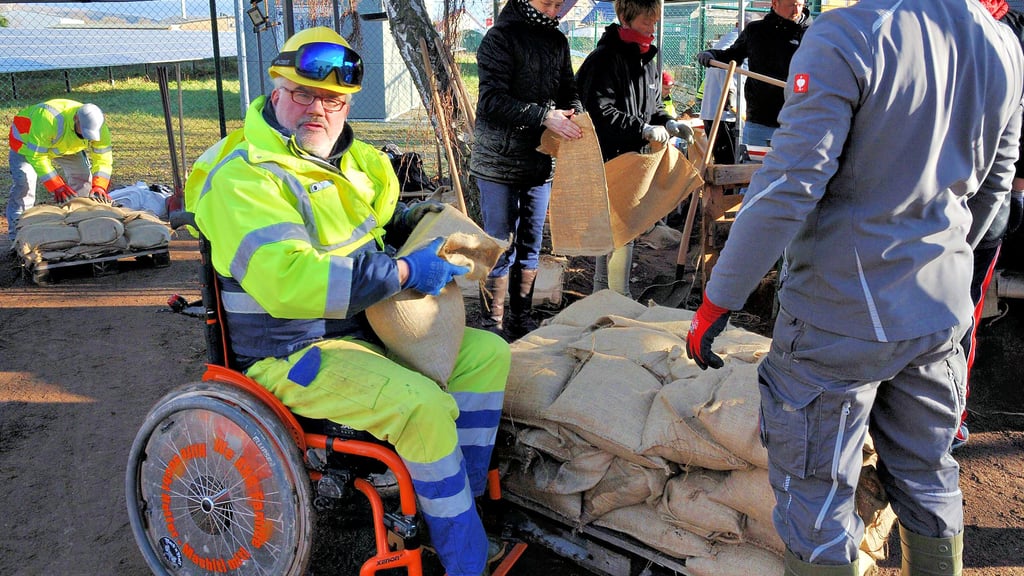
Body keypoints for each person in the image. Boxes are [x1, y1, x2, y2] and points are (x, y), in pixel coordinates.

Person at [685, 1, 1022, 574]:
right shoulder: (1001, 45)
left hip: (838, 315)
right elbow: (994, 191)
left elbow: (791, 183)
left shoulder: (848, 33)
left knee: (815, 494)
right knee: (928, 473)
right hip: (937, 312)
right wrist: (955, 275)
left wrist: (720, 297)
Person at [187, 27, 510, 576]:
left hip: (361, 335)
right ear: (275, 91)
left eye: (333, 100)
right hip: (290, 352)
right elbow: (289, 281)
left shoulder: (359, 162)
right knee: (423, 408)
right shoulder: (243, 176)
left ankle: (453, 503)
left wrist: (413, 223)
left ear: (348, 104)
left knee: (488, 357)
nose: (319, 109)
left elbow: (376, 225)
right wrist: (405, 270)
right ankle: (465, 557)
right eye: (304, 95)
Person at [470, 0, 583, 338]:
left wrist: (575, 112)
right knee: (500, 243)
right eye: (547, 3)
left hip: (538, 160)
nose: (553, 11)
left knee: (531, 242)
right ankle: (494, 321)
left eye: (557, 5)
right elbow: (491, 101)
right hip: (498, 161)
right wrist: (544, 116)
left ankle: (522, 318)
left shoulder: (556, 42)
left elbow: (568, 90)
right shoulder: (499, 38)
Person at [576, 0, 687, 298]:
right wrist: (642, 129)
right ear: (625, 17)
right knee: (616, 230)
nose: (652, 27)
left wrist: (668, 121)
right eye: (645, 21)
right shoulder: (604, 59)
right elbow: (600, 111)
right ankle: (612, 295)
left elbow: (653, 106)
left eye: (654, 21)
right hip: (606, 156)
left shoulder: (650, 57)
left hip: (635, 157)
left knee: (623, 230)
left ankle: (608, 295)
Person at [953, 0, 1024, 451]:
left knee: (962, 311)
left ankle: (952, 412)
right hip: (943, 204)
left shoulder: (1011, 34)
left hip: (979, 207)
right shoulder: (935, 25)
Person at [696, 0, 810, 148]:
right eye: (791, 4)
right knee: (754, 168)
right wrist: (711, 55)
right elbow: (733, 55)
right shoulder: (756, 31)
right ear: (775, 3)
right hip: (760, 121)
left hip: (799, 122)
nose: (796, 10)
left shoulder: (812, 34)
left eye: (800, 4)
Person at [6, 99, 112, 240]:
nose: (88, 136)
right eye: (84, 131)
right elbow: (37, 156)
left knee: (83, 180)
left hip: (65, 147)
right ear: (75, 119)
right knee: (24, 186)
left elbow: (103, 158)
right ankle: (17, 236)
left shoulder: (98, 126)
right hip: (26, 146)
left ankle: (81, 224)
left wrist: (100, 186)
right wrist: (56, 185)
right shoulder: (48, 118)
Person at [698, 24, 742, 165]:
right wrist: (732, 100)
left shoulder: (727, 40)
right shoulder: (735, 42)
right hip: (725, 116)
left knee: (724, 162)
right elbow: (727, 70)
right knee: (728, 164)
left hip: (717, 113)